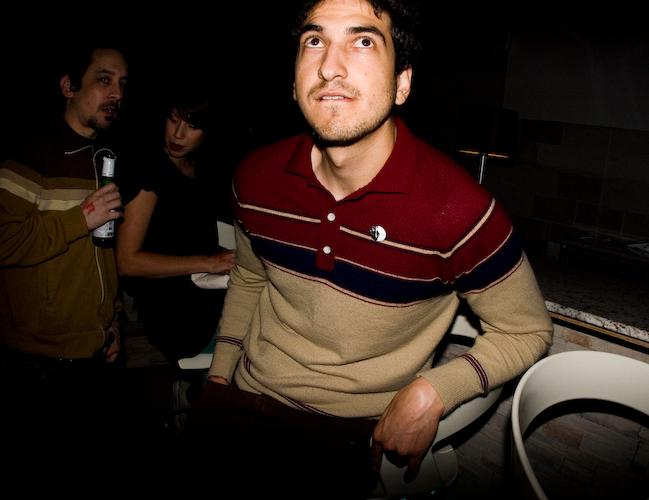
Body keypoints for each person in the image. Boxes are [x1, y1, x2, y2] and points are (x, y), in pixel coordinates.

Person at [184, 0, 553, 496]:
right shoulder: (256, 177)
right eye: (314, 41)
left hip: (344, 430)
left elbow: (528, 330)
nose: (330, 66)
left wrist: (432, 392)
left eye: (362, 41)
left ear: (402, 83)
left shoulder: (457, 210)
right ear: (294, 81)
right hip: (240, 396)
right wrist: (219, 378)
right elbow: (251, 277)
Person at [0, 45, 128, 467]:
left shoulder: (106, 157)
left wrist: (113, 320)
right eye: (104, 80)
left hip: (96, 351)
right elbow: (6, 241)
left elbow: (102, 253)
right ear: (69, 86)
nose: (116, 93)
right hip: (41, 362)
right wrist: (81, 218)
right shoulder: (29, 151)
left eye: (122, 84)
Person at [116, 90, 236, 379]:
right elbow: (127, 262)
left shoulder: (202, 167)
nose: (179, 134)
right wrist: (209, 262)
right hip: (174, 308)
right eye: (173, 120)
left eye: (192, 126)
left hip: (206, 292)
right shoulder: (150, 168)